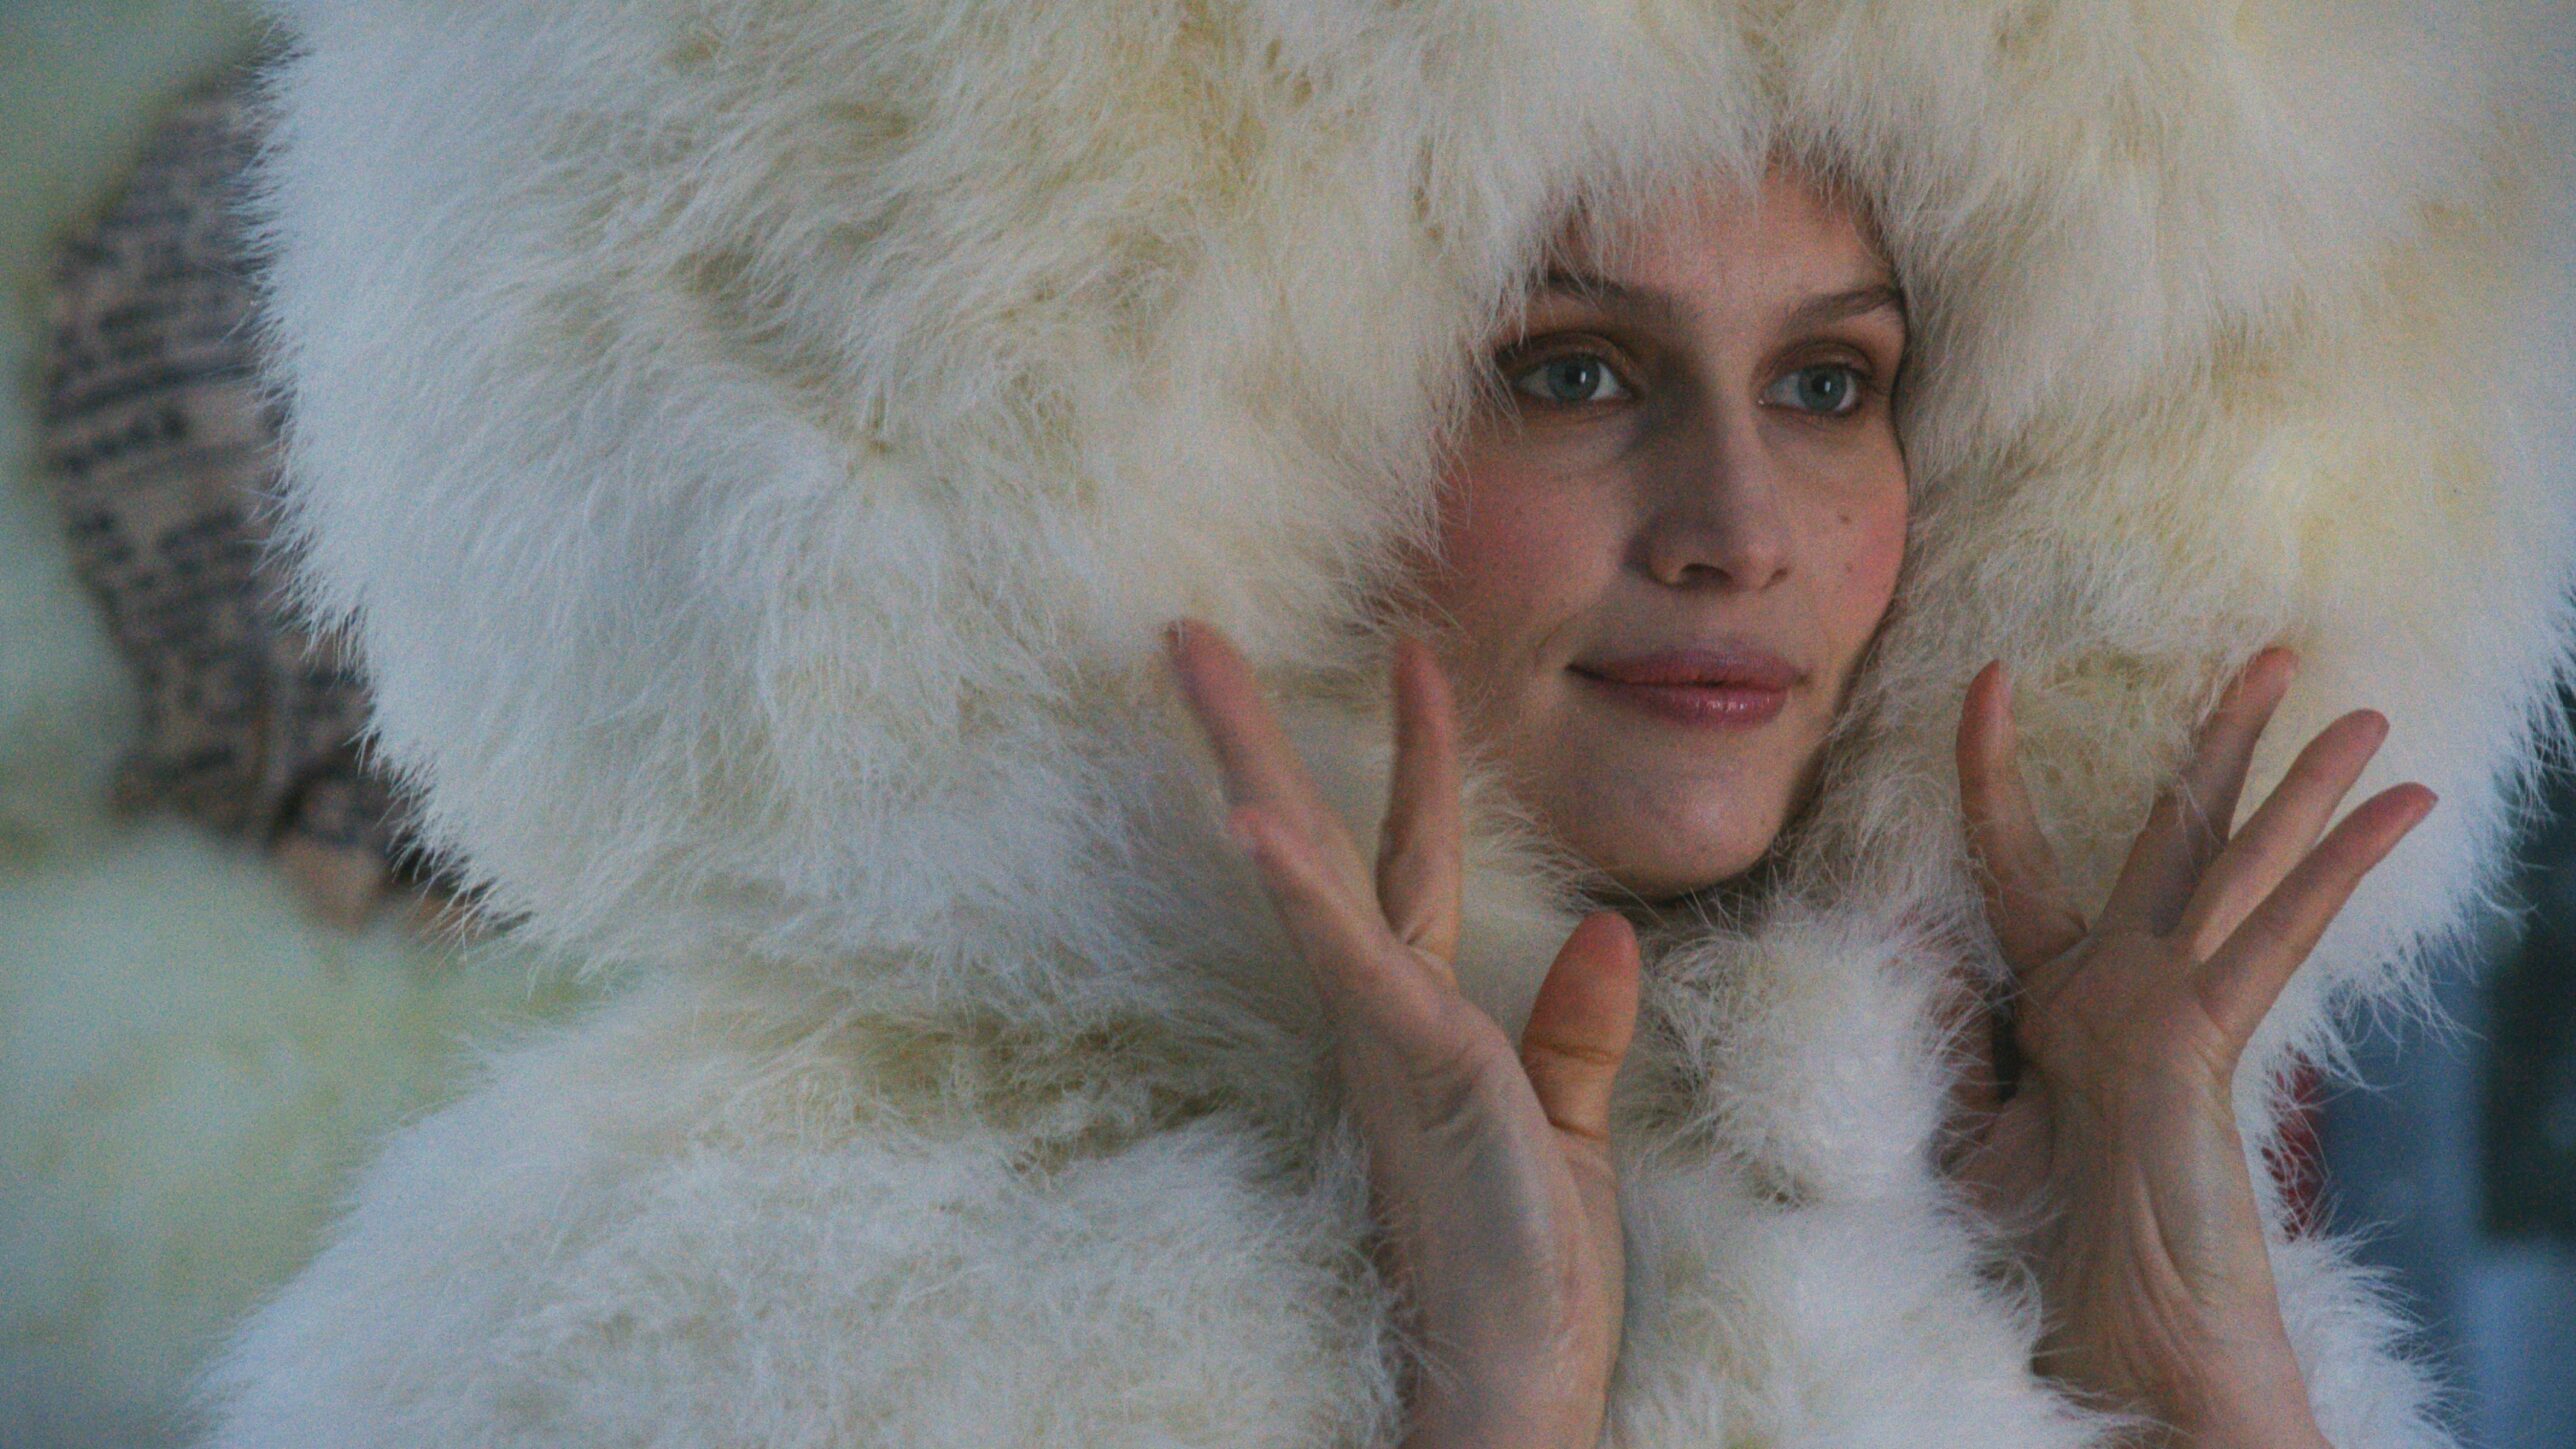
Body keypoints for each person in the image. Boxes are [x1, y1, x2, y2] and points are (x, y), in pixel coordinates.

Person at [204, 2, 2572, 1446]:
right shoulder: (714, 1324)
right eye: (1571, 372)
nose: (1737, 526)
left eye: (1831, 383)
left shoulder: (2054, 1275)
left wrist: (2190, 1375)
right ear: (1239, 458)